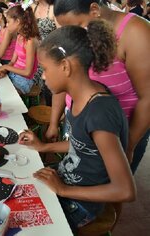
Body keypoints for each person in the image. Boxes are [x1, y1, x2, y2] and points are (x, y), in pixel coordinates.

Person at [19, 20, 136, 233]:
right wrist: (44, 147)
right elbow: (82, 145)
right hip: (66, 182)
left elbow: (125, 190)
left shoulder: (99, 113)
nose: (43, 76)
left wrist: (63, 189)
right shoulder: (80, 98)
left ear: (65, 66)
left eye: (45, 69)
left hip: (81, 203)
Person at [46, 0, 150, 174]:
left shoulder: (136, 33)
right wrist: (54, 122)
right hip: (78, 124)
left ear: (94, 10)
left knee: (108, 189)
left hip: (116, 135)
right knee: (76, 175)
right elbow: (64, 78)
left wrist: (128, 145)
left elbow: (147, 97)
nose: (72, 36)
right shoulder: (76, 26)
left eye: (77, 27)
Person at [0, 3, 40, 95]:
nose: (7, 24)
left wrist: (5, 67)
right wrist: (4, 70)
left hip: (24, 81)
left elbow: (27, 72)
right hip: (13, 75)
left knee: (3, 95)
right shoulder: (20, 36)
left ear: (17, 21)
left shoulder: (30, 41)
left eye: (9, 22)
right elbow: (13, 61)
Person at [31, 0, 58, 105]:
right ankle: (34, 111)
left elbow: (59, 31)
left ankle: (47, 111)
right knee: (34, 83)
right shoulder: (33, 7)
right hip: (34, 51)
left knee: (47, 85)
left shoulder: (52, 8)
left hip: (50, 53)